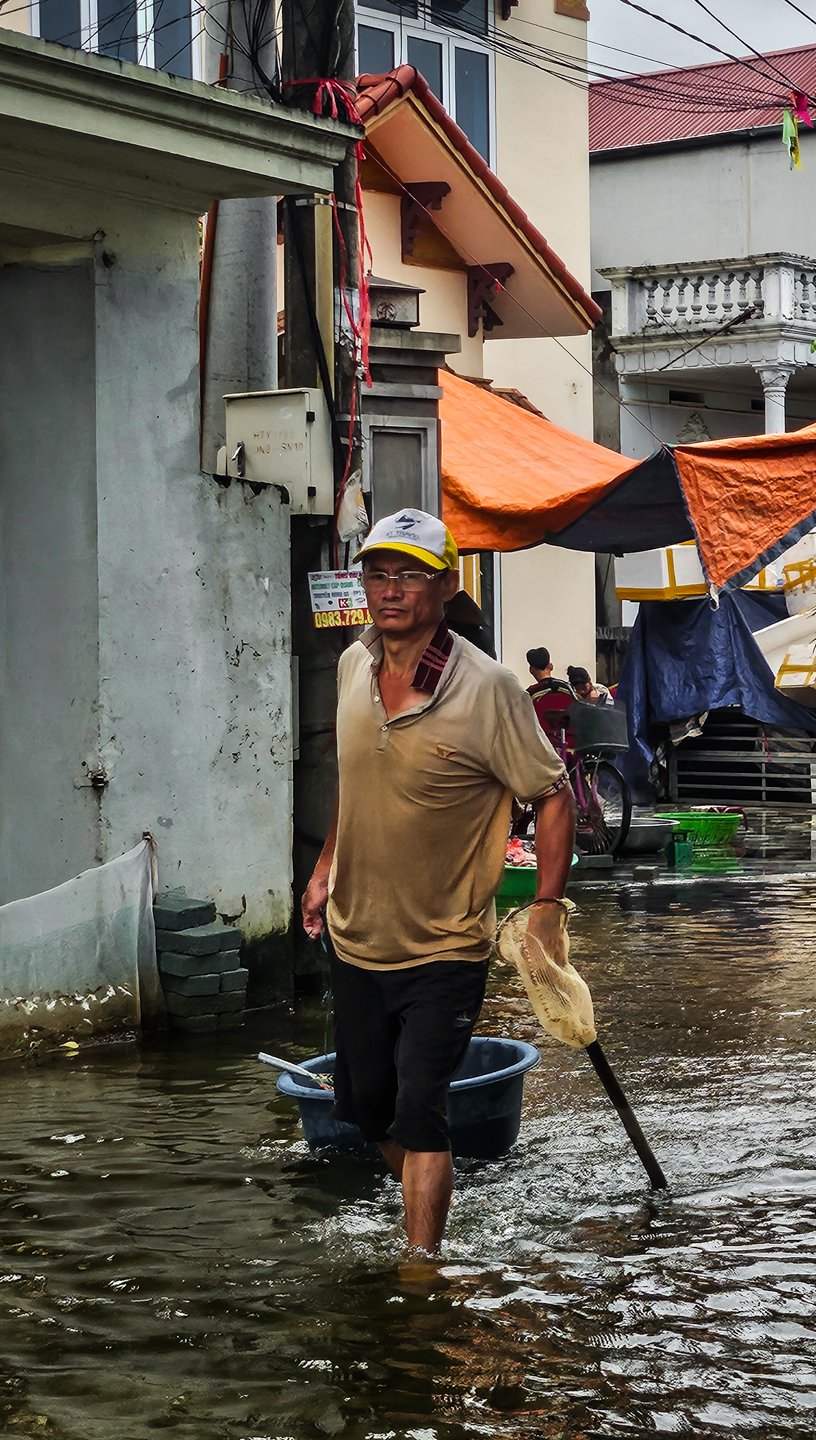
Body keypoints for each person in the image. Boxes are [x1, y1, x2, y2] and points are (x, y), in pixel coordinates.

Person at [301, 509, 574, 1253]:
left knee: (421, 1110)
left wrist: (546, 908)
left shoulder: (486, 689)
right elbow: (356, 782)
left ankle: (422, 1275)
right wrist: (326, 866)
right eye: (378, 574)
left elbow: (553, 794)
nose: (390, 591)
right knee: (367, 1112)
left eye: (411, 575)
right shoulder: (353, 666)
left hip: (446, 946)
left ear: (446, 586)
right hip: (358, 939)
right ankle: (438, 1196)